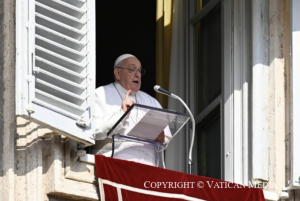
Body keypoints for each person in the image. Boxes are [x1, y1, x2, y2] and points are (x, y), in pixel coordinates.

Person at [92, 54, 171, 166]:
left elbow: (165, 140)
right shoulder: (100, 94)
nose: (137, 74)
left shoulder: (152, 101)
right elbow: (93, 131)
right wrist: (121, 114)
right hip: (113, 165)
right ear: (117, 73)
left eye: (139, 71)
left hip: (148, 167)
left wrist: (161, 138)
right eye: (132, 69)